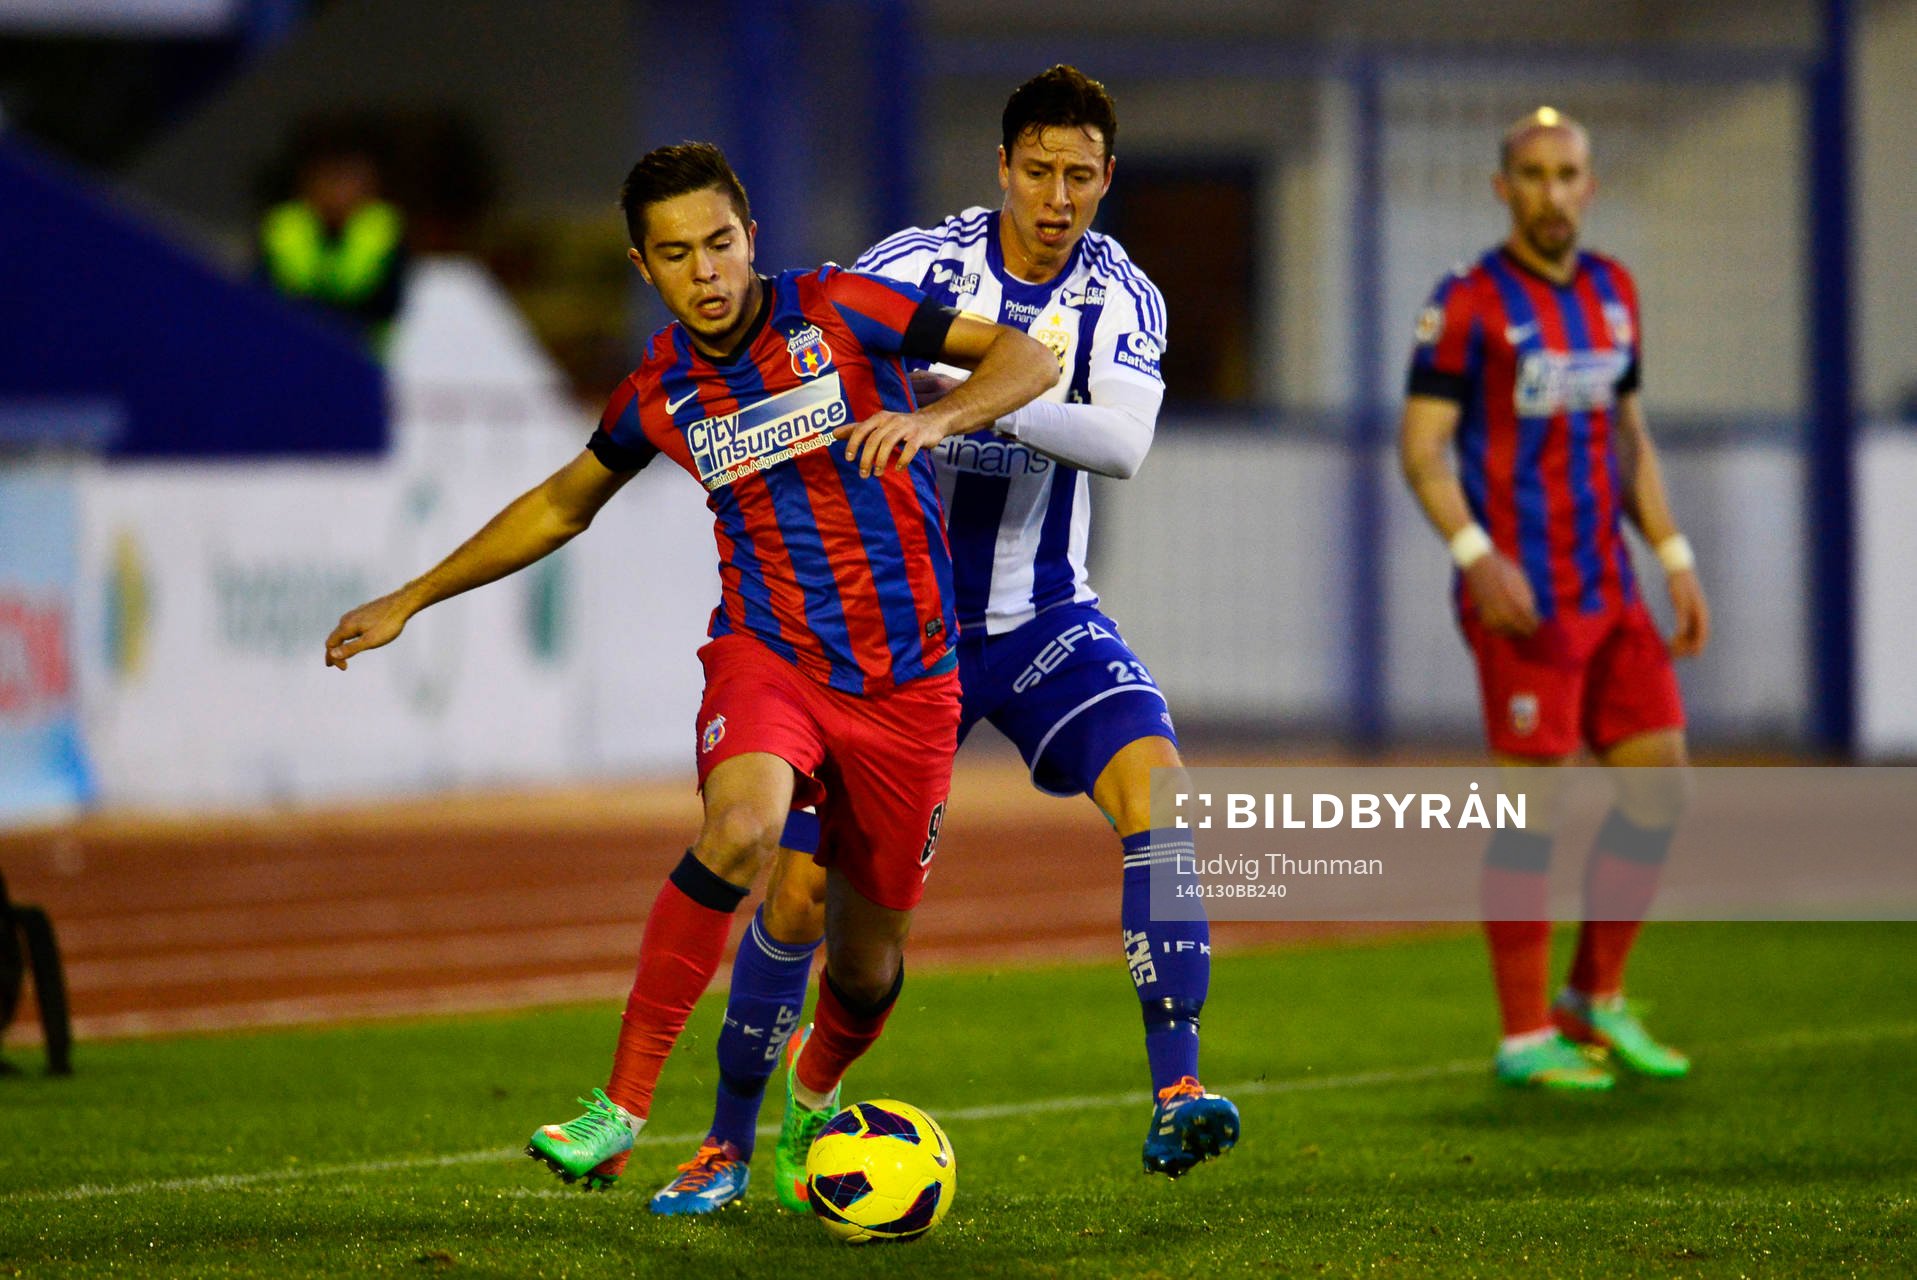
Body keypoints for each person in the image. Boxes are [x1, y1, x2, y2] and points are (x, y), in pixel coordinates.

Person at [323, 142, 1058, 1187]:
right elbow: (558, 504)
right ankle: (620, 1106)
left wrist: (931, 416)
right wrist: (410, 596)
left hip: (909, 684)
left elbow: (1027, 356)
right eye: (678, 255)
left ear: (750, 238)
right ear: (645, 268)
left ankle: (812, 1095)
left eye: (719, 244)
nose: (706, 271)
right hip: (772, 658)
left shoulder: (844, 308)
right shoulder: (658, 390)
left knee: (864, 959)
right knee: (742, 829)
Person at [645, 65, 1237, 1219]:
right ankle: (725, 1138)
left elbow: (1121, 447)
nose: (1058, 196)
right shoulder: (913, 265)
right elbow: (800, 362)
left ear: (1107, 178)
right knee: (821, 917)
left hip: (1039, 616)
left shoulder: (1125, 297)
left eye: (1081, 175)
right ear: (1002, 166)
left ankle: (1179, 1086)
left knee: (1164, 803)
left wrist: (964, 395)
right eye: (1039, 169)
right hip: (885, 635)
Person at [1399, 108, 1711, 1091]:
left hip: (1612, 591)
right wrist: (1475, 552)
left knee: (1660, 786)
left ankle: (1593, 995)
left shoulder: (1615, 293)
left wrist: (1672, 552)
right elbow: (1422, 447)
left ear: (1590, 183)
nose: (1551, 189)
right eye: (1531, 173)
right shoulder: (1465, 304)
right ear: (1505, 188)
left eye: (1567, 171)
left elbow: (1627, 436)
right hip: (1523, 604)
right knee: (1532, 811)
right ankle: (1524, 1033)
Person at [258, 120, 407, 352]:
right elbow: (258, 299)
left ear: (373, 185)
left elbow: (396, 308)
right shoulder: (283, 230)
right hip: (291, 354)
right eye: (330, 177)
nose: (340, 191)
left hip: (366, 364)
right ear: (305, 183)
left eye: (351, 179)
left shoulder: (388, 236)